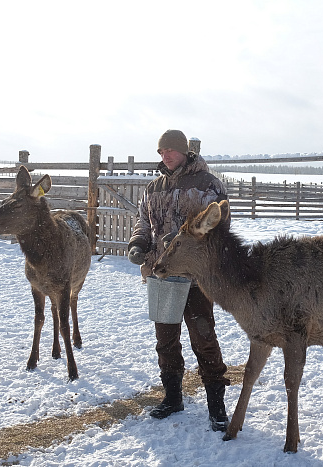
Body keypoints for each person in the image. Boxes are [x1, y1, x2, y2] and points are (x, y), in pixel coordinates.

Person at [127, 129, 230, 432]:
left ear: (184, 151)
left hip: (197, 278)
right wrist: (138, 243)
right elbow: (143, 221)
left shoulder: (208, 185)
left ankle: (217, 406)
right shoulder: (154, 187)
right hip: (162, 274)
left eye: (170, 150)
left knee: (204, 340)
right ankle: (173, 397)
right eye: (161, 152)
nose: (165, 155)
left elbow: (220, 226)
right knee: (166, 341)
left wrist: (182, 238)